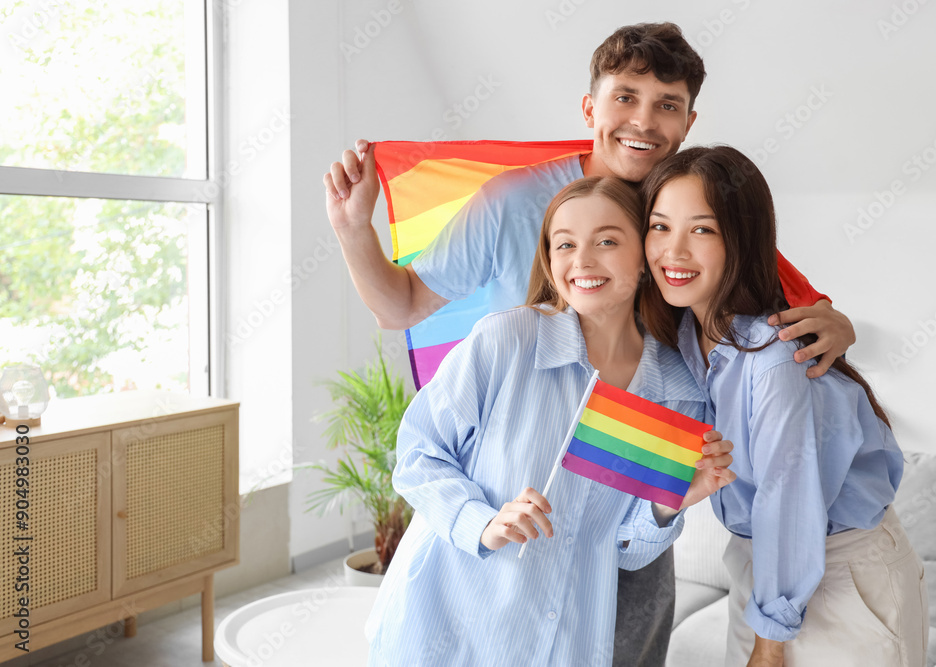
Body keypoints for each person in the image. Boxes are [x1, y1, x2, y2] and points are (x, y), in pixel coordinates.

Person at [326, 23, 856, 665]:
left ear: (689, 121)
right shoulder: (512, 214)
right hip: (502, 507)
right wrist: (353, 229)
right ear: (590, 108)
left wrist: (834, 322)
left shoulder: (687, 212)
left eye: (667, 104)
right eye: (625, 97)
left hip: (626, 499)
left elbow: (763, 290)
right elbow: (402, 309)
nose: (644, 121)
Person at [366, 176, 737, 666]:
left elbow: (626, 549)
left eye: (607, 241)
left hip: (566, 643)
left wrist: (671, 503)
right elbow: (418, 454)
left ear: (645, 259)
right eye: (564, 244)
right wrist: (483, 521)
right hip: (443, 625)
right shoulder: (506, 341)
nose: (582, 260)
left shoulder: (677, 392)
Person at [639, 145, 928, 667]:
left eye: (702, 230)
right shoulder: (680, 340)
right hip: (759, 566)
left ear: (741, 240)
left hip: (841, 574)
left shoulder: (774, 356)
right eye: (660, 226)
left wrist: (769, 645)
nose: (673, 251)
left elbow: (785, 493)